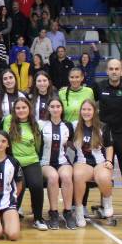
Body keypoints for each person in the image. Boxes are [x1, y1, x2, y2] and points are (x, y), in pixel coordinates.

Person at [97, 58, 122, 219]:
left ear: (121, 71)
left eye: (117, 69)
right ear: (107, 71)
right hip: (104, 138)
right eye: (111, 69)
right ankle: (104, 204)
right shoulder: (99, 87)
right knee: (104, 172)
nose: (114, 71)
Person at [2, 99, 46, 229]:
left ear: (29, 109)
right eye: (18, 108)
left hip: (32, 160)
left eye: (24, 108)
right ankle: (13, 215)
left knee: (37, 186)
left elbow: (38, 146)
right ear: (14, 110)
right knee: (20, 186)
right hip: (15, 162)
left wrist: (35, 158)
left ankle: (38, 218)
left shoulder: (35, 124)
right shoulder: (9, 121)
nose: (21, 110)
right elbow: (5, 141)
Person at [71, 100, 114, 227]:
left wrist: (109, 161)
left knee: (104, 177)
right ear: (80, 111)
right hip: (82, 162)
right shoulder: (73, 126)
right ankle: (79, 210)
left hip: (100, 162)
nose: (86, 112)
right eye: (83, 109)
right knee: (78, 176)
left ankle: (107, 202)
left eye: (89, 109)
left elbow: (109, 145)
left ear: (94, 111)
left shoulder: (102, 127)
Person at [38, 98, 75, 229]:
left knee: (66, 177)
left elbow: (72, 145)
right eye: (52, 106)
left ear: (62, 108)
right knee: (53, 177)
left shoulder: (68, 126)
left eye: (58, 106)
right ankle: (53, 212)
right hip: (45, 162)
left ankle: (68, 211)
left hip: (62, 161)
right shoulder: (41, 124)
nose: (55, 109)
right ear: (48, 108)